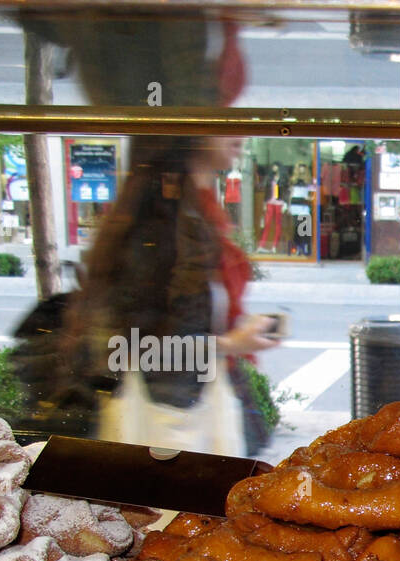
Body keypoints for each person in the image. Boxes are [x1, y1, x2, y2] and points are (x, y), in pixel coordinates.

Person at [64, 136, 280, 455]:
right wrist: (233, 343)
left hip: (179, 411)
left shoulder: (184, 216)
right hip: (168, 425)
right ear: (190, 137)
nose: (239, 132)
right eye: (222, 121)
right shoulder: (163, 229)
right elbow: (145, 346)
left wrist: (235, 334)